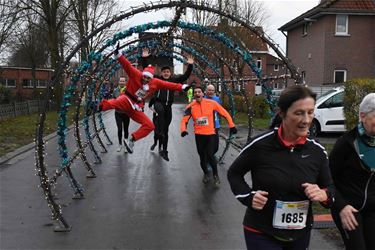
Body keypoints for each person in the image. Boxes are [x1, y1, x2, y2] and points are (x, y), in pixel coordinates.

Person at [227, 85, 334, 249]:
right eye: (299, 113)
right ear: (283, 113)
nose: (306, 120)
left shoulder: (317, 151)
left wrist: (323, 194)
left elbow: (331, 188)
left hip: (300, 234)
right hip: (261, 231)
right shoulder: (260, 145)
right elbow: (234, 173)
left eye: (310, 112)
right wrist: (248, 196)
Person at [97, 43, 191, 154]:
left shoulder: (155, 82)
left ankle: (132, 140)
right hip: (127, 98)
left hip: (136, 107)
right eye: (144, 77)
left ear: (151, 79)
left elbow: (169, 85)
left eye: (148, 78)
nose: (146, 80)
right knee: (117, 102)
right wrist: (118, 54)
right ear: (142, 74)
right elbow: (127, 65)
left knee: (150, 125)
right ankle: (99, 107)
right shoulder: (136, 74)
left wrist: (182, 87)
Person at [330, 93, 375, 250]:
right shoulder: (346, 143)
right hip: (347, 208)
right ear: (363, 116)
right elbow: (328, 181)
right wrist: (341, 206)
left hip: (372, 209)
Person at [141, 48, 194, 161]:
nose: (166, 73)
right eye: (164, 72)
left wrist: (190, 65)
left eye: (168, 72)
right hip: (158, 104)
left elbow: (185, 76)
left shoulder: (174, 80)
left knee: (165, 130)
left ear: (170, 73)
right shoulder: (157, 79)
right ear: (161, 73)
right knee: (158, 126)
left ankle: (164, 150)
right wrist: (145, 58)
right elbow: (147, 71)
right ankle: (158, 138)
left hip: (168, 107)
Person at [180, 86, 237, 187]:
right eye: (195, 92)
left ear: (203, 94)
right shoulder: (190, 106)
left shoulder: (212, 103)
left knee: (210, 155)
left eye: (199, 92)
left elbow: (224, 113)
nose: (197, 94)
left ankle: (215, 175)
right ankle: (206, 174)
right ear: (194, 95)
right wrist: (183, 130)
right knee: (202, 157)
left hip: (210, 134)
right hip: (199, 136)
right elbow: (184, 120)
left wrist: (232, 125)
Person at [112, 77, 130, 152]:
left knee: (126, 129)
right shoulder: (115, 91)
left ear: (125, 82)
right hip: (118, 113)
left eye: (123, 81)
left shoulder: (128, 90)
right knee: (119, 129)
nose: (122, 82)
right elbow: (113, 100)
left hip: (126, 113)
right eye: (120, 81)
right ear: (119, 82)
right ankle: (120, 144)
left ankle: (126, 145)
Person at [205, 84, 222, 156]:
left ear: (214, 91)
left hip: (215, 126)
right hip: (206, 126)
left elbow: (220, 111)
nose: (211, 92)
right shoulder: (202, 99)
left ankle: (210, 156)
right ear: (206, 91)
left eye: (212, 90)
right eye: (209, 90)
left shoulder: (217, 99)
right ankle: (208, 159)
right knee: (207, 145)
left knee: (216, 147)